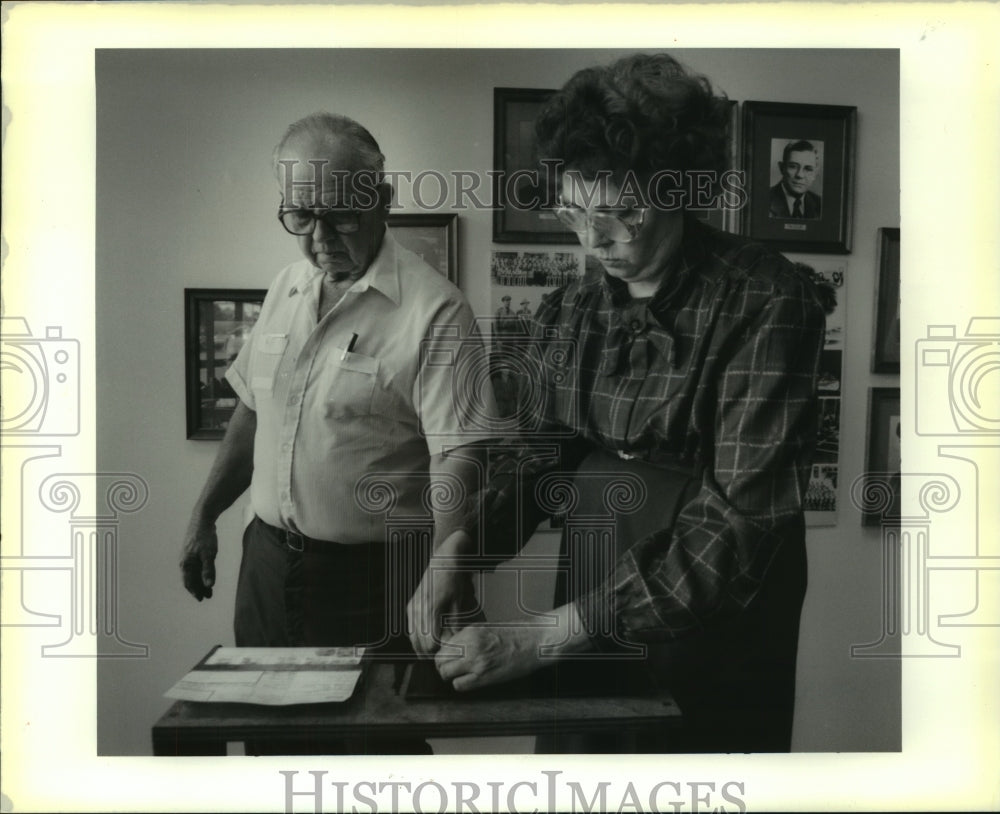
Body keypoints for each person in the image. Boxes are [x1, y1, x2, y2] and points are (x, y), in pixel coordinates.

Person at [410, 53, 831, 753]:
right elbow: (536, 461)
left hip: (713, 615)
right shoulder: (568, 309)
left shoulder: (766, 299)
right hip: (593, 581)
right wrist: (461, 550)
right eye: (574, 212)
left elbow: (735, 531)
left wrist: (545, 636)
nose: (593, 240)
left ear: (684, 192)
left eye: (621, 214)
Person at [180, 112, 493, 750]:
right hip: (267, 570)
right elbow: (252, 409)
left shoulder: (436, 310)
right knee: (271, 750)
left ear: (381, 202)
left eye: (341, 214)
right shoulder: (286, 288)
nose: (319, 237)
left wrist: (444, 566)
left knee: (376, 757)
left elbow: (458, 456)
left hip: (371, 582)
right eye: (300, 215)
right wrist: (203, 516)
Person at [768, 139, 822, 219]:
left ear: (815, 173)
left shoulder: (820, 204)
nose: (799, 175)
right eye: (793, 166)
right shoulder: (764, 200)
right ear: (782, 168)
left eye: (808, 169)